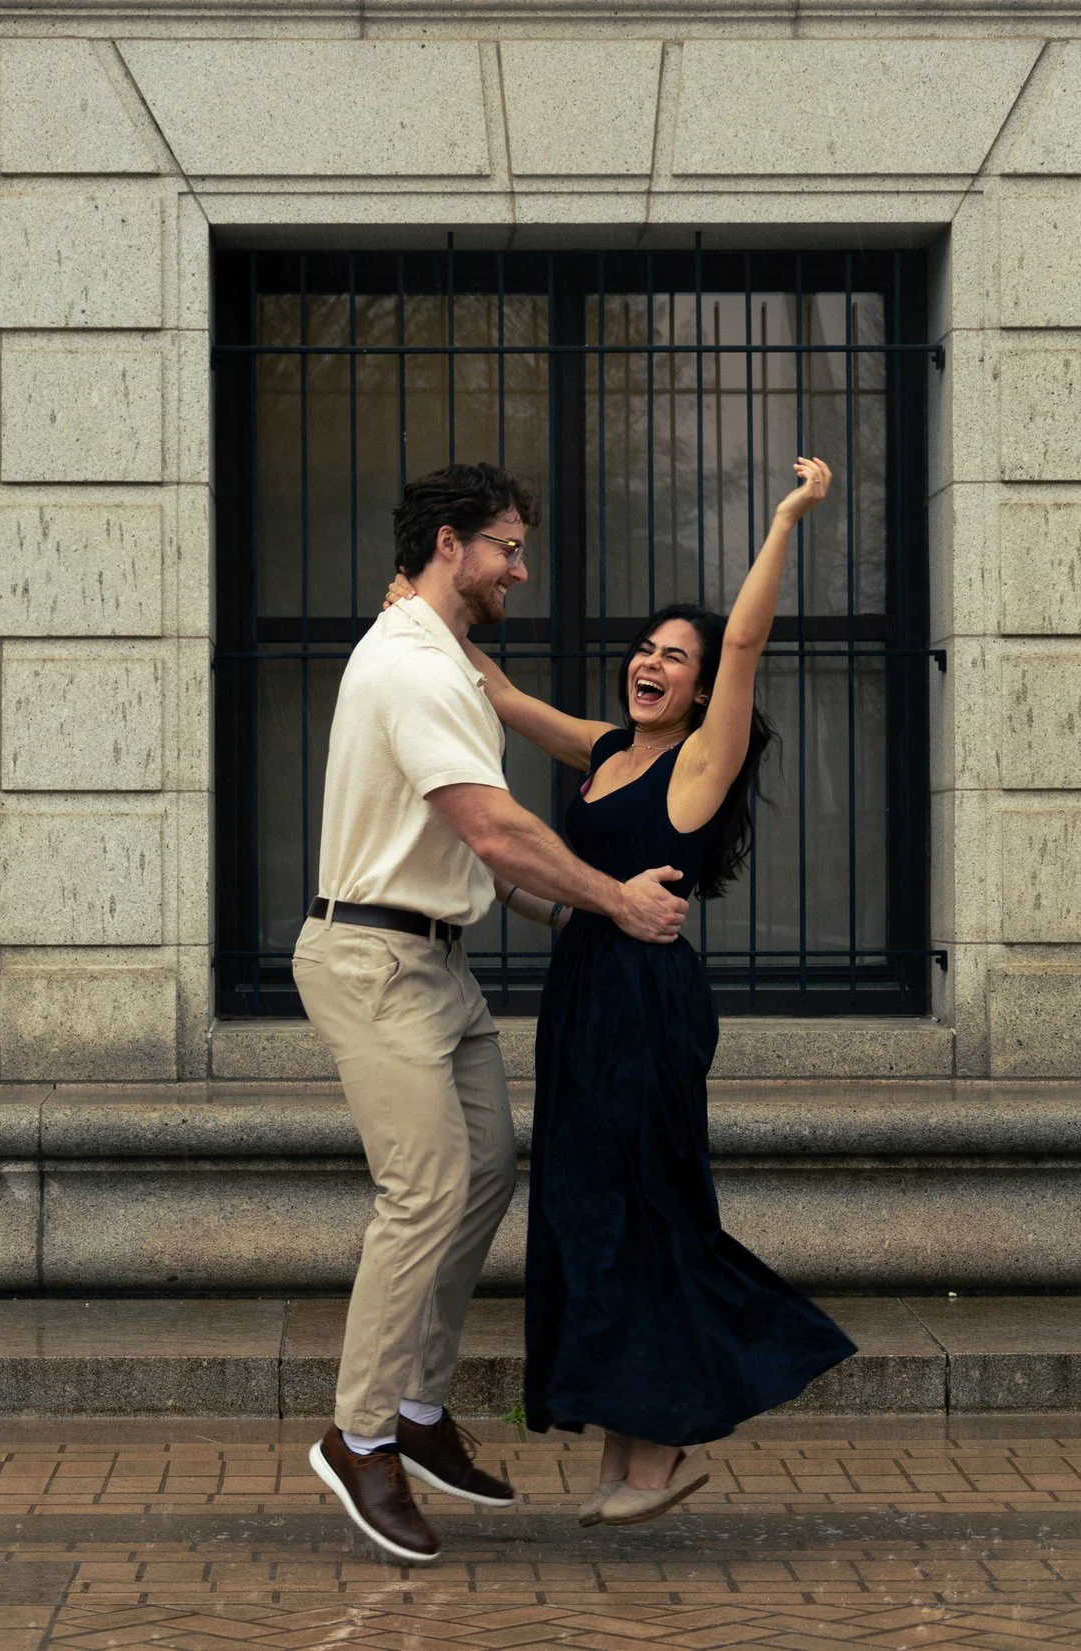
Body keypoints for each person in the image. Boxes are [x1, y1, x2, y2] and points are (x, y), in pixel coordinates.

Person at [387, 456, 857, 1527]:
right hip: (586, 994)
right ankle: (626, 1460)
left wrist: (784, 517)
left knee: (642, 1210)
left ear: (699, 691)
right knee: (593, 1213)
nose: (654, 662)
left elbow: (744, 640)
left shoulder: (700, 762)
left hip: (644, 1001)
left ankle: (666, 1439)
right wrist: (421, 604)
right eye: (647, 647)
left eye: (675, 658)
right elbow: (496, 696)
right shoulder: (605, 751)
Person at [298, 461, 693, 1565]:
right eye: (507, 546)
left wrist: (575, 916)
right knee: (422, 1186)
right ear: (448, 547)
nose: (521, 566)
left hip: (432, 956)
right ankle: (360, 1432)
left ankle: (417, 1407)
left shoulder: (439, 660)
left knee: (483, 1169)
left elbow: (485, 854)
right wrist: (612, 896)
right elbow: (495, 826)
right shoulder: (410, 669)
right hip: (373, 959)